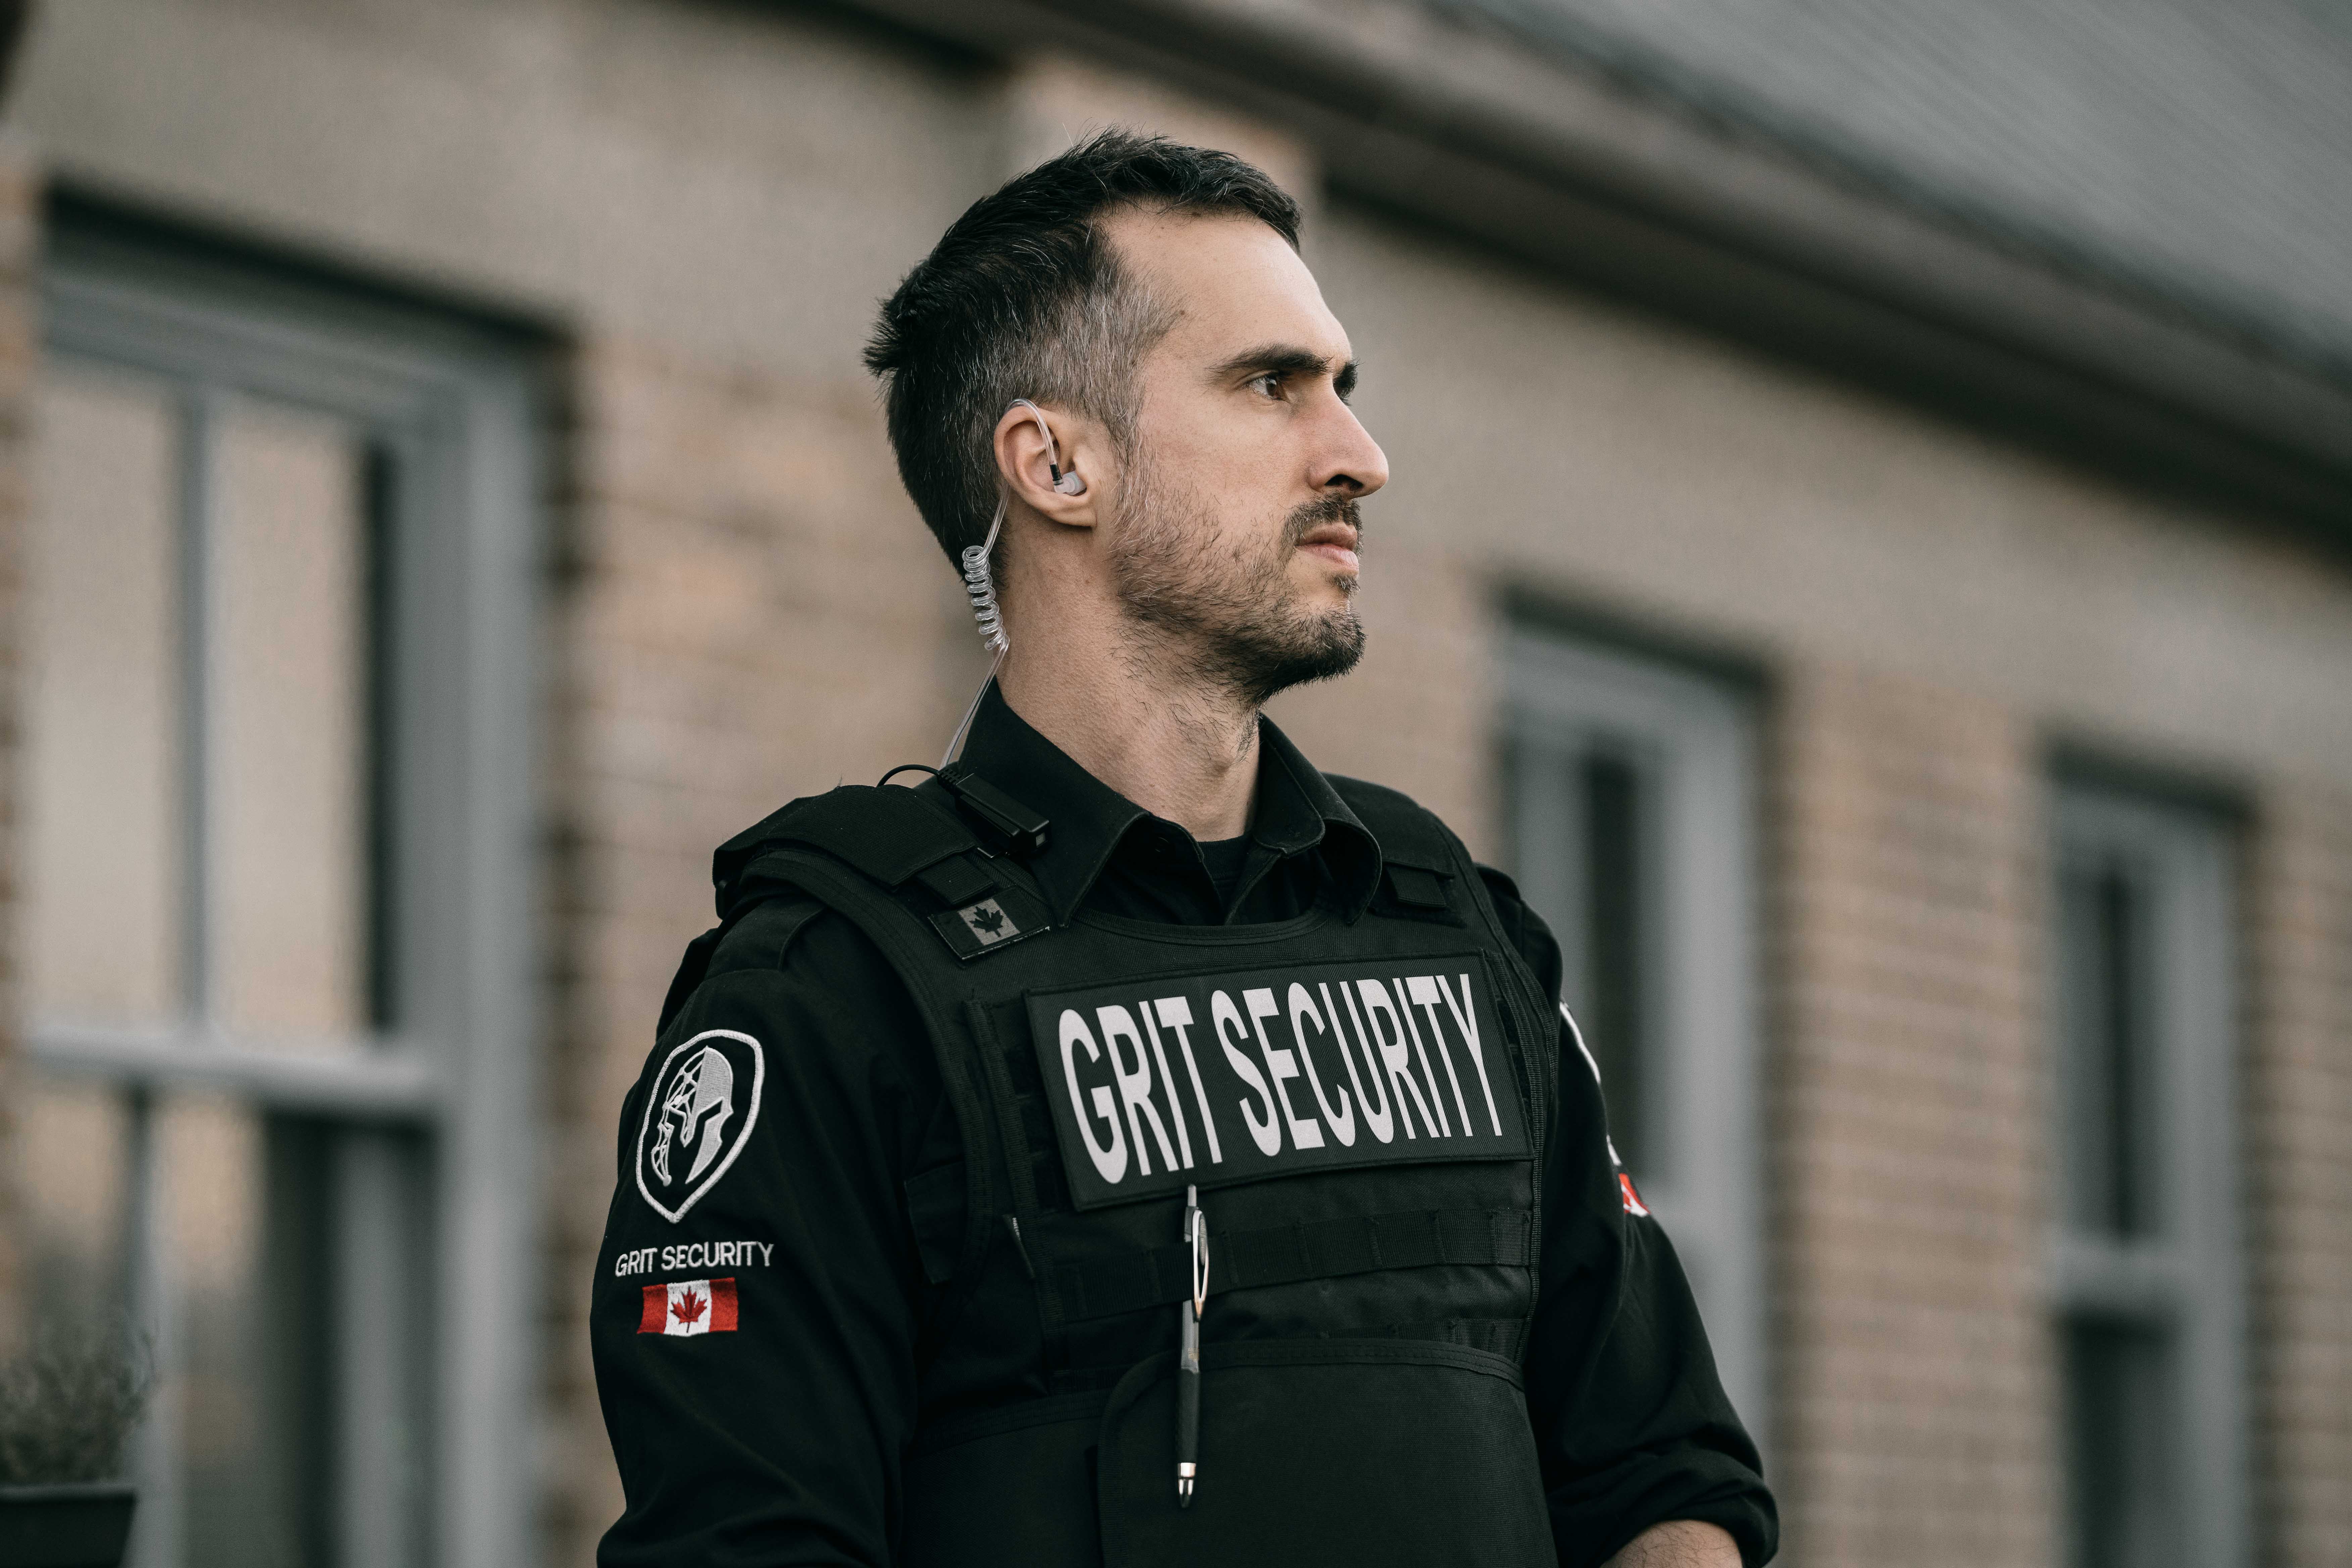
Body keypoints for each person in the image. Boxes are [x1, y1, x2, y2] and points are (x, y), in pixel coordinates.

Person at [592, 131, 1775, 1568]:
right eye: (1273, 385)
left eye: (1343, 389)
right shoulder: (834, 994)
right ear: (1057, 463)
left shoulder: (1455, 932)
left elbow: (1662, 1475)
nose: (1361, 456)